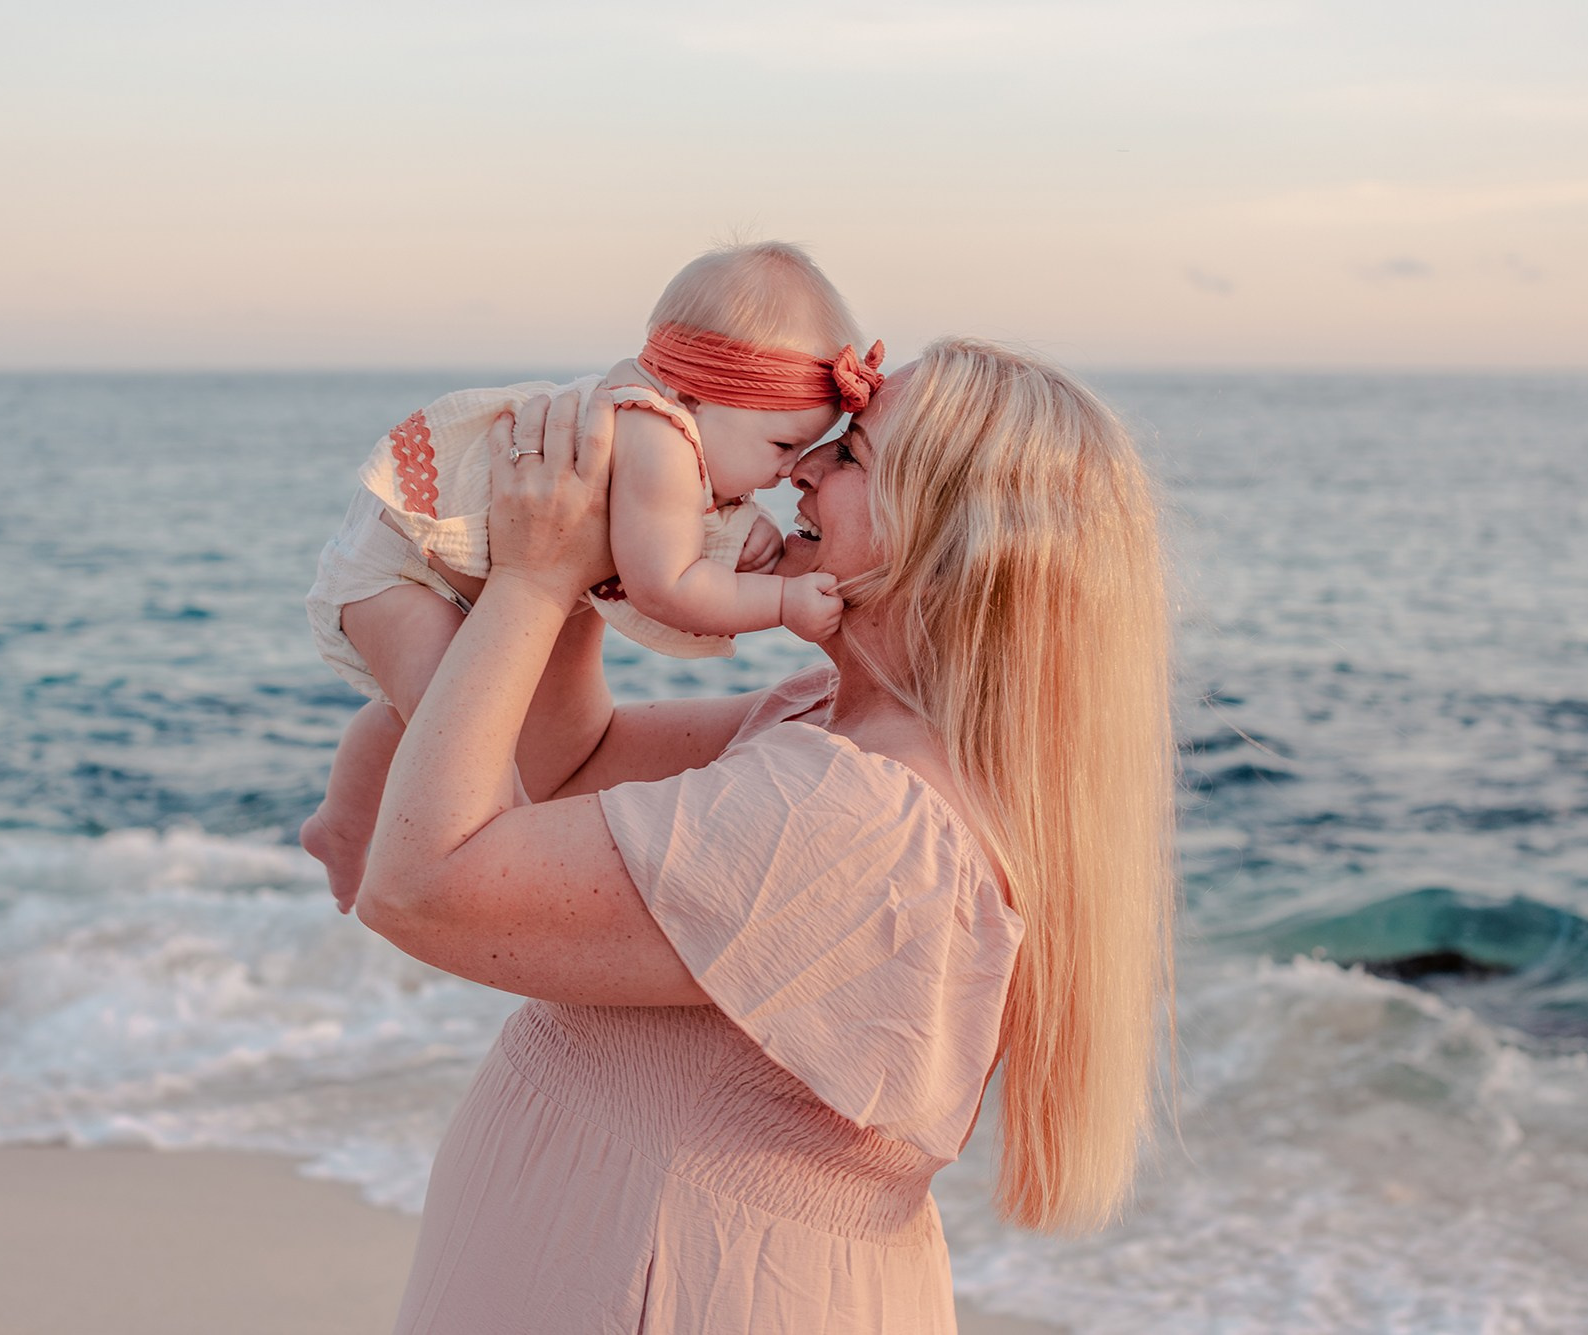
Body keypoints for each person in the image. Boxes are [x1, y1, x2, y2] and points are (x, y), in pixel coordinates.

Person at [352, 338, 1176, 1333]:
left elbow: (423, 888)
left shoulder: (857, 819)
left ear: (955, 548)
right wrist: (596, 554)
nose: (798, 467)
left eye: (852, 456)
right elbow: (571, 762)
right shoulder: (827, 719)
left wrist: (528, 581)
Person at [302, 242, 885, 906]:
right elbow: (665, 585)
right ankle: (462, 859)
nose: (788, 472)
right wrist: (781, 600)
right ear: (694, 396)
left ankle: (340, 827)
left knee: (440, 714)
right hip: (404, 564)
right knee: (474, 762)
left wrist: (738, 531)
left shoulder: (671, 430)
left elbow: (658, 525)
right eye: (781, 447)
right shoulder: (658, 440)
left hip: (421, 556)